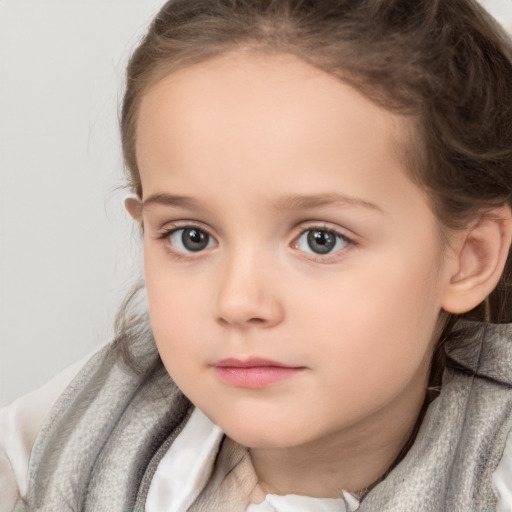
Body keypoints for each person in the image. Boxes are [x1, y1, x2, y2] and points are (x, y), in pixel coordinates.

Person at [1, 0, 512, 510]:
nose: (238, 301)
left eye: (321, 239)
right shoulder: (73, 429)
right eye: (191, 237)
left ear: (470, 257)